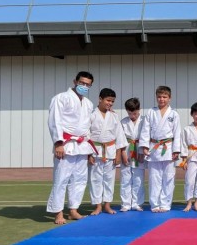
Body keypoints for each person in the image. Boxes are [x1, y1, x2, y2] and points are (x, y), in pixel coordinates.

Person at [46, 71, 97, 225]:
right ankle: (58, 212)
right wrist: (58, 143)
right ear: (75, 82)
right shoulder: (61, 98)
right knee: (61, 178)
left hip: (82, 145)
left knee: (80, 179)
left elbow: (87, 127)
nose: (84, 86)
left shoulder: (88, 103)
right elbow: (54, 121)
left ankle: (73, 209)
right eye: (82, 83)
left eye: (88, 84)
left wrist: (89, 150)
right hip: (66, 144)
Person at [139, 85, 181, 213]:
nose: (161, 99)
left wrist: (176, 150)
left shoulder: (174, 114)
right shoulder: (151, 112)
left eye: (164, 97)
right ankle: (155, 204)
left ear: (170, 98)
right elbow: (146, 130)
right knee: (154, 178)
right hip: (154, 148)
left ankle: (166, 204)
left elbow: (177, 133)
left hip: (168, 148)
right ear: (156, 97)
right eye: (159, 97)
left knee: (168, 178)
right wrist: (144, 146)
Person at [88, 88, 127, 216]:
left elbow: (119, 136)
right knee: (95, 179)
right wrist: (89, 154)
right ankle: (98, 206)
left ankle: (107, 205)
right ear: (100, 99)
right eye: (108, 100)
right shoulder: (91, 114)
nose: (110, 103)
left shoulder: (114, 116)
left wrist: (118, 154)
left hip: (110, 151)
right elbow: (87, 135)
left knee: (109, 180)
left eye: (112, 101)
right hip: (96, 150)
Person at [120, 98, 146, 212]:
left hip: (139, 149)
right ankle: (125, 203)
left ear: (139, 109)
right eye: (130, 113)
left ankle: (137, 203)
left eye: (134, 113)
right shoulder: (123, 122)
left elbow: (146, 137)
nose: (132, 116)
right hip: (126, 149)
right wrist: (123, 154)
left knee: (138, 178)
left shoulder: (144, 121)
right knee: (125, 178)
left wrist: (141, 152)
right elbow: (120, 140)